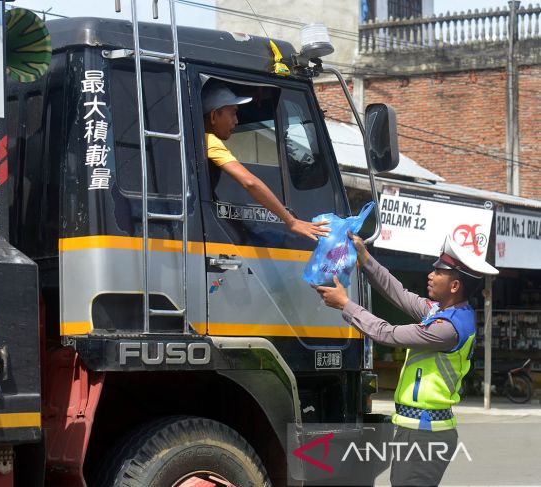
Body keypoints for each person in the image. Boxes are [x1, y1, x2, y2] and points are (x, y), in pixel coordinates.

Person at [314, 233, 498, 487]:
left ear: (454, 286)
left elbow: (386, 333)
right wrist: (365, 257)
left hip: (425, 433)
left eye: (438, 272)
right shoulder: (440, 312)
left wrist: (346, 305)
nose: (430, 275)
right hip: (418, 429)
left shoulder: (447, 328)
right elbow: (398, 293)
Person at [202, 82, 329, 241]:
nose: (236, 120)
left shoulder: (200, 141)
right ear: (214, 116)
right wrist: (291, 221)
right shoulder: (208, 140)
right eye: (233, 113)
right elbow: (250, 182)